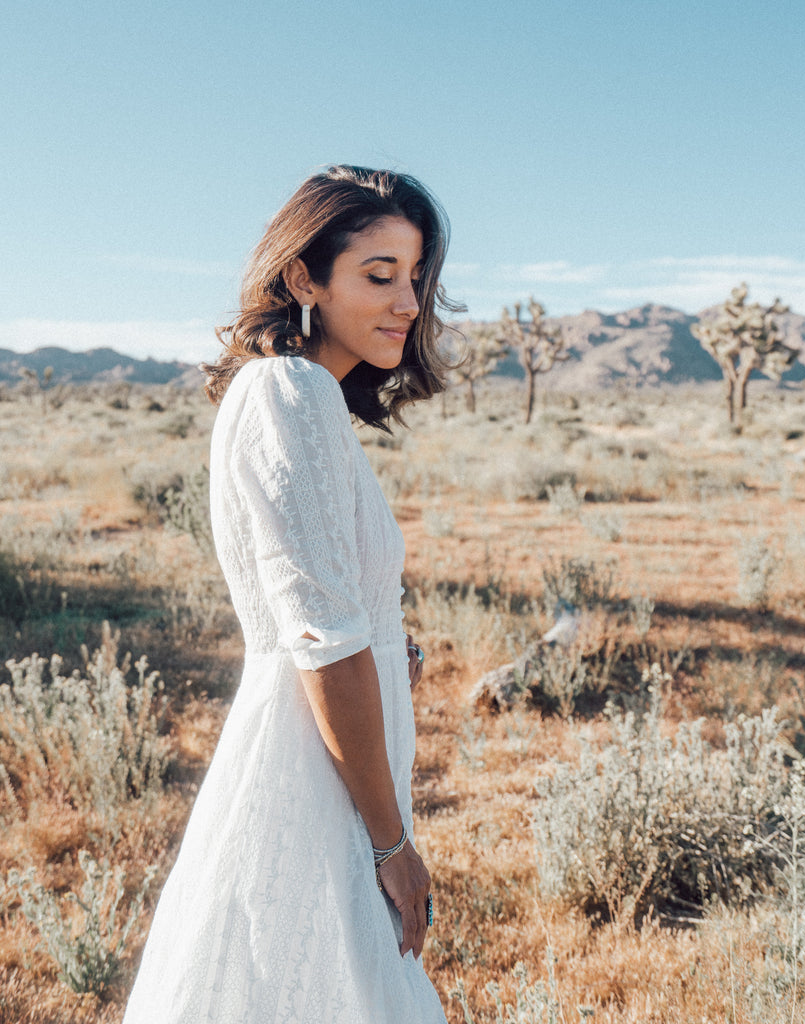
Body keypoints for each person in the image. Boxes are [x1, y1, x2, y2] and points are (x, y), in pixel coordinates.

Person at [123, 165, 460, 1024]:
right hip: (318, 763)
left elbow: (329, 610)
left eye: (415, 278)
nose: (406, 302)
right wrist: (392, 843)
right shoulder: (291, 390)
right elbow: (323, 640)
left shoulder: (294, 396)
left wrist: (392, 640)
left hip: (328, 743)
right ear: (303, 278)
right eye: (377, 275)